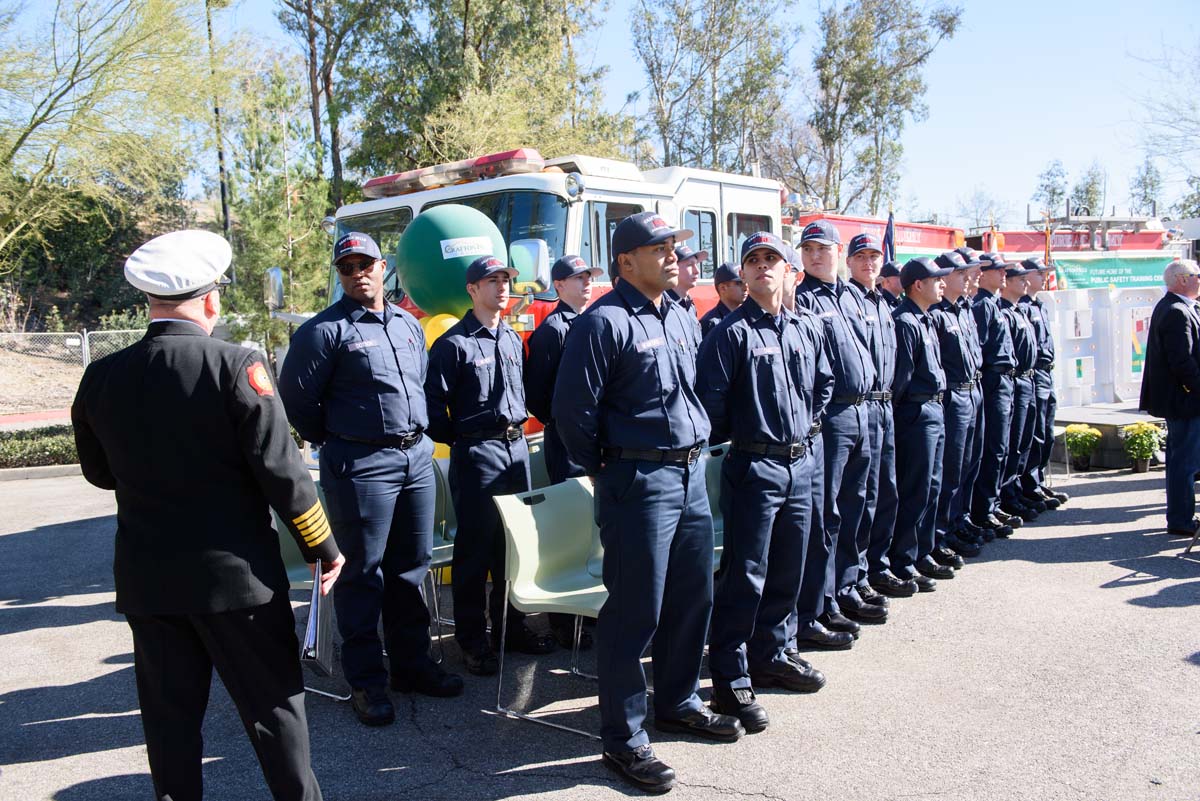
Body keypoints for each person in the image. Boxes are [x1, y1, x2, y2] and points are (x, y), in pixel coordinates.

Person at [72, 230, 345, 801]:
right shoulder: (236, 364)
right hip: (238, 584)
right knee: (276, 719)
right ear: (210, 299)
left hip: (150, 581)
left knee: (170, 729)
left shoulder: (101, 375)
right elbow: (284, 476)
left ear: (148, 301)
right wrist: (324, 548)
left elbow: (99, 473)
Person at [553, 212, 743, 793]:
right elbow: (571, 415)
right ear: (625, 260)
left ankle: (678, 701)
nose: (672, 256)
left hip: (688, 478)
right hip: (638, 483)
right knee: (637, 610)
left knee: (693, 596)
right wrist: (611, 470)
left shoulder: (680, 316)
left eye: (673, 247)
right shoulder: (602, 323)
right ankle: (624, 739)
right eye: (658, 248)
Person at [280, 232, 463, 729]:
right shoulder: (323, 331)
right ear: (339, 274)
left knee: (412, 567)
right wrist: (340, 439)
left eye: (367, 263)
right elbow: (297, 402)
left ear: (385, 268)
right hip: (361, 466)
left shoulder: (407, 323)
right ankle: (366, 681)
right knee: (363, 574)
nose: (358, 272)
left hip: (415, 459)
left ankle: (412, 664)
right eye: (347, 266)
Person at [698, 232, 834, 733]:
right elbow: (709, 408)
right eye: (752, 261)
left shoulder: (804, 328)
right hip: (754, 467)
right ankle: (730, 677)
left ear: (787, 270)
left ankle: (772, 654)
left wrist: (806, 429)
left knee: (788, 569)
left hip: (800, 465)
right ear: (743, 275)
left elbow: (823, 384)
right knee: (745, 576)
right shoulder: (729, 334)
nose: (761, 268)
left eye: (770, 259)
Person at [424, 256, 557, 677]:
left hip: (516, 452)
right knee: (474, 550)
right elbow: (431, 410)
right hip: (478, 454)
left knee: (513, 548)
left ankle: (510, 628)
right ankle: (472, 639)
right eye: (492, 280)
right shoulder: (454, 344)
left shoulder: (511, 339)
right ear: (472, 289)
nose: (502, 287)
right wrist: (464, 439)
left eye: (506, 279)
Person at [794, 219, 876, 647]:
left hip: (863, 413)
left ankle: (846, 587)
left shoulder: (850, 295)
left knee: (857, 505)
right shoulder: (803, 298)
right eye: (808, 249)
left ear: (838, 251)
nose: (815, 255)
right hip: (832, 418)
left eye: (823, 249)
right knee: (825, 517)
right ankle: (816, 605)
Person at [524, 254, 604, 648]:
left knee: (593, 530)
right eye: (576, 277)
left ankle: (590, 611)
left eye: (588, 275)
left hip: (592, 439)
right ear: (558, 286)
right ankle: (566, 622)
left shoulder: (591, 321)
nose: (586, 282)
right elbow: (539, 396)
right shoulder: (553, 331)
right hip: (567, 442)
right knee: (569, 530)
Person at [884, 257, 952, 592]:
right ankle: (904, 560)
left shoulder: (925, 319)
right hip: (916, 414)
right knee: (915, 489)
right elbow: (902, 379)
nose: (942, 284)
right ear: (918, 285)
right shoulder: (905, 321)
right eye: (935, 279)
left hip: (934, 410)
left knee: (931, 487)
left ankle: (922, 551)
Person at [843, 233, 895, 617]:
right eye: (860, 256)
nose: (868, 262)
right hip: (858, 407)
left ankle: (868, 570)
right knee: (854, 501)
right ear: (849, 262)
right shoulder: (846, 300)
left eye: (874, 256)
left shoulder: (882, 303)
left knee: (879, 495)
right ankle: (849, 580)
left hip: (883, 407)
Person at [1139, 259, 1200, 537]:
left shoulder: (1180, 307)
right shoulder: (1176, 310)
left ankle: (1181, 517)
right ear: (1182, 279)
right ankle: (1181, 519)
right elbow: (1182, 362)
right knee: (1184, 463)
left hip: (1183, 399)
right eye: (1197, 275)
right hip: (1185, 401)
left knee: (1182, 461)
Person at [929, 251, 984, 563]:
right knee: (948, 470)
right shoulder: (936, 314)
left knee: (967, 464)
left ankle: (958, 521)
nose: (967, 278)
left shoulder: (963, 310)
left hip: (971, 392)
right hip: (952, 397)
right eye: (960, 274)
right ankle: (941, 533)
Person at [970, 253, 1019, 538]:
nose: (1004, 275)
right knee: (991, 449)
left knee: (1003, 447)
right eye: (997, 270)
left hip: (1005, 380)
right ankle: (983, 508)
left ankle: (993, 502)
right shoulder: (982, 306)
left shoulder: (993, 304)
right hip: (992, 380)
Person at [1019, 259, 1070, 508]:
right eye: (1040, 273)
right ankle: (1029, 485)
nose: (1045, 277)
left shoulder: (1040, 305)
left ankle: (1038, 481)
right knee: (1035, 433)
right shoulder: (1023, 307)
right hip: (1034, 372)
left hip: (1046, 374)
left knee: (1046, 432)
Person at [997, 264, 1042, 523]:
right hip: (1008, 382)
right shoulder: (998, 310)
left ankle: (1019, 490)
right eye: (1020, 278)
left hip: (1029, 378)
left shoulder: (1020, 309)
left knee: (1026, 442)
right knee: (1006, 446)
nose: (1025, 283)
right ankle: (1005, 497)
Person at [700, 262, 748, 337]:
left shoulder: (749, 318)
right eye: (739, 283)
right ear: (723, 288)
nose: (745, 288)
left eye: (746, 282)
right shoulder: (710, 323)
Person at [669, 243, 708, 318]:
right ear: (674, 268)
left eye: (696, 264)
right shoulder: (664, 307)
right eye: (690, 265)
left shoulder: (690, 306)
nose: (697, 271)